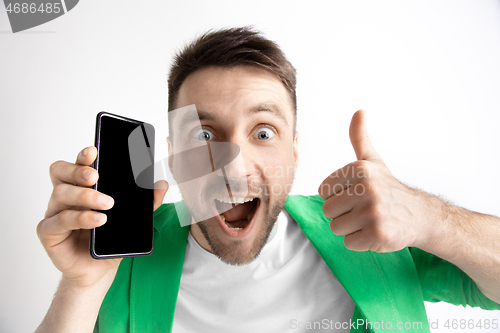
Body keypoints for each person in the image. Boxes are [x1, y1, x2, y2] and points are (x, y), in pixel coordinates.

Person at [35, 27, 500, 333]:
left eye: (263, 132)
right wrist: (82, 287)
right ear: (173, 160)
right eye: (203, 134)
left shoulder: (373, 233)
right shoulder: (125, 255)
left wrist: (431, 218)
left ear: (294, 152)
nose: (234, 168)